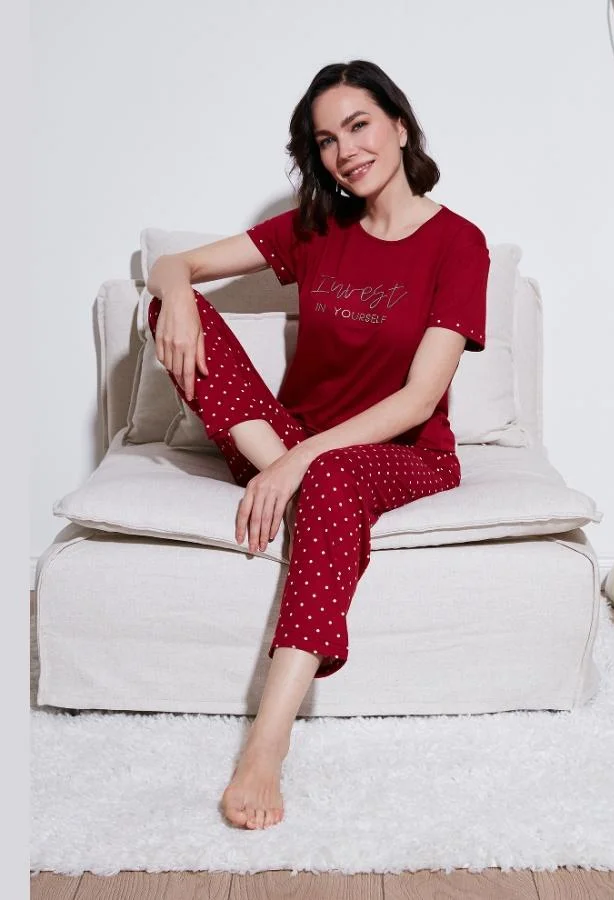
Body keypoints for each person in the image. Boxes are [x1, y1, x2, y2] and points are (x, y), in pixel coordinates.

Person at [146, 59, 490, 831]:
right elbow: (174, 266)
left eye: (358, 126)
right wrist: (175, 292)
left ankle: (266, 745)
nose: (345, 151)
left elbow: (419, 398)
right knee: (170, 310)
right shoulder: (315, 227)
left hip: (401, 454)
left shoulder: (458, 243)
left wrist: (302, 461)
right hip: (290, 444)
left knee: (330, 473)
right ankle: (309, 485)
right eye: (326, 140)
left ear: (399, 125)